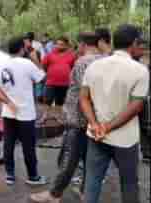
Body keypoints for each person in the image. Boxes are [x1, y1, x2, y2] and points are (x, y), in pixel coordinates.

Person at [30, 32, 104, 203]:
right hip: (94, 119)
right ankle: (86, 192)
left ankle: (54, 194)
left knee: (68, 159)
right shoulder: (103, 60)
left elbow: (84, 93)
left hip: (79, 119)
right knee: (88, 159)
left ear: (83, 44)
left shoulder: (83, 62)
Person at [80, 24, 149, 203]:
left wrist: (95, 125)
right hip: (125, 140)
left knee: (92, 182)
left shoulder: (93, 66)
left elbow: (84, 99)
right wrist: (108, 127)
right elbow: (136, 107)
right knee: (129, 184)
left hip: (96, 136)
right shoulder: (140, 71)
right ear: (133, 42)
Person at [0, 37, 48, 186]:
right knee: (28, 146)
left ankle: (9, 175)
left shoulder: (1, 65)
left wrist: (8, 102)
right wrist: (35, 59)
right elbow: (42, 78)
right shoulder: (27, 64)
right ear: (22, 49)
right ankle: (33, 176)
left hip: (8, 113)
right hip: (26, 113)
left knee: (8, 144)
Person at [40, 36, 77, 122]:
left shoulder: (71, 56)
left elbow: (73, 68)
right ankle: (45, 116)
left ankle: (58, 117)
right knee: (47, 100)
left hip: (64, 83)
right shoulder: (49, 55)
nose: (59, 46)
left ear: (66, 46)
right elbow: (44, 66)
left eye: (62, 44)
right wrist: (50, 73)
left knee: (59, 102)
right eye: (57, 44)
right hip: (51, 82)